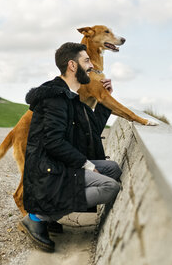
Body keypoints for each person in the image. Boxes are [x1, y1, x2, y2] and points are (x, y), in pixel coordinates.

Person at [19, 42, 122, 252]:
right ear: (72, 66)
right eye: (86, 61)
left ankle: (50, 211)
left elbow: (90, 131)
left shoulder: (70, 97)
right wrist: (85, 164)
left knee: (113, 169)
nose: (92, 66)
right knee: (110, 187)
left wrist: (104, 100)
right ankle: (37, 217)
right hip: (48, 172)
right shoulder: (56, 97)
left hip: (60, 165)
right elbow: (53, 142)